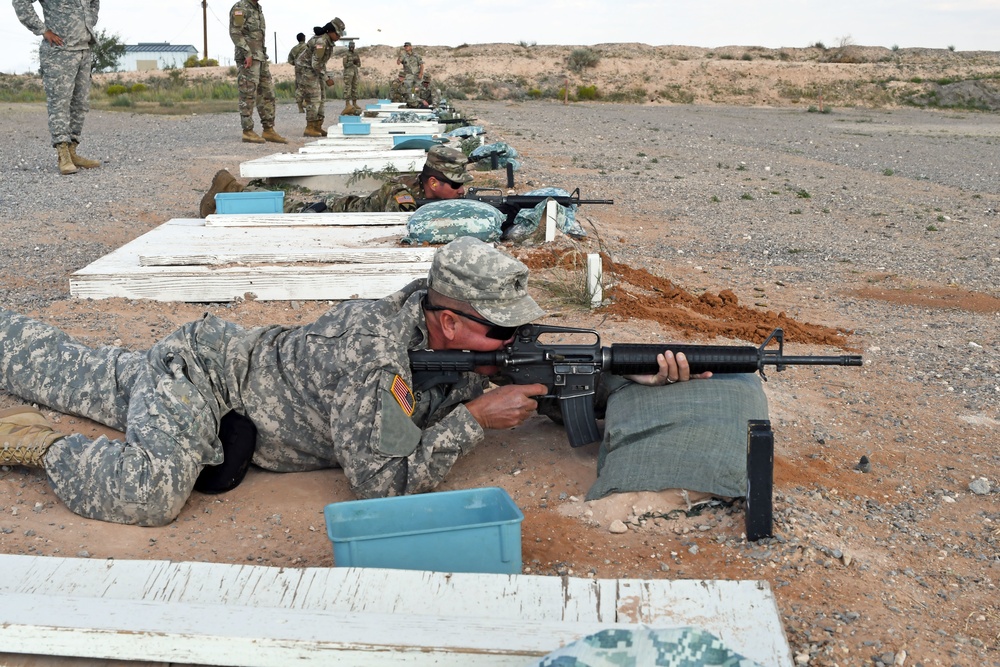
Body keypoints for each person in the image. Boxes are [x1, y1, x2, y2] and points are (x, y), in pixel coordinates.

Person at [0, 236, 699, 527]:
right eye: (499, 330)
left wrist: (625, 378)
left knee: (74, 368)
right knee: (152, 491)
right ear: (449, 321)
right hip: (206, 381)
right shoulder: (375, 356)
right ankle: (38, 444)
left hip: (227, 379)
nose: (511, 342)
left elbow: (547, 385)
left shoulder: (449, 337)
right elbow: (380, 484)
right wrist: (474, 420)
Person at [199, 144, 472, 217]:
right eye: (457, 185)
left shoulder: (418, 186)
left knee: (284, 204)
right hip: (333, 211)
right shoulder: (402, 195)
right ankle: (226, 194)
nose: (462, 192)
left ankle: (242, 189)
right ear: (434, 184)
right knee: (281, 210)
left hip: (346, 208)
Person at [13, 0, 101, 175]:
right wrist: (43, 30)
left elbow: (94, 2)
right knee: (59, 104)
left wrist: (89, 21)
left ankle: (72, 151)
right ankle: (63, 155)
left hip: (83, 49)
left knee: (80, 105)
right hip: (59, 52)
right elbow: (20, 2)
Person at [229, 0, 287, 144]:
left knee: (268, 94)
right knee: (248, 94)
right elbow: (235, 33)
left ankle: (268, 130)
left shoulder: (257, 9)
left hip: (260, 57)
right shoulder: (240, 7)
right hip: (248, 59)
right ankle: (247, 131)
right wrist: (247, 53)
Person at [295, 19, 345, 138]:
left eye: (340, 34)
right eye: (337, 34)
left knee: (322, 97)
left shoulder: (328, 41)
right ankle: (310, 127)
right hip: (306, 70)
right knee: (314, 98)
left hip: (315, 70)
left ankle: (317, 126)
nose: (338, 37)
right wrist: (326, 77)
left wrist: (325, 75)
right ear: (330, 31)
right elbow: (316, 64)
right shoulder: (321, 42)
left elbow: (319, 64)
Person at [287, 32, 308, 113]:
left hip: (298, 69)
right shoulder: (307, 47)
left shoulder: (294, 48)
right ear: (304, 38)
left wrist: (296, 63)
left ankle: (300, 107)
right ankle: (305, 101)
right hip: (307, 68)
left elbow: (290, 60)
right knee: (308, 85)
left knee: (299, 87)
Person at [342, 41, 362, 116]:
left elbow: (359, 64)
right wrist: (351, 62)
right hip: (348, 73)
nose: (352, 48)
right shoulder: (346, 54)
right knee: (348, 88)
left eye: (353, 46)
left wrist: (356, 63)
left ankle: (354, 103)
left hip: (355, 73)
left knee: (355, 87)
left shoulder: (356, 54)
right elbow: (345, 65)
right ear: (349, 46)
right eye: (350, 46)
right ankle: (347, 103)